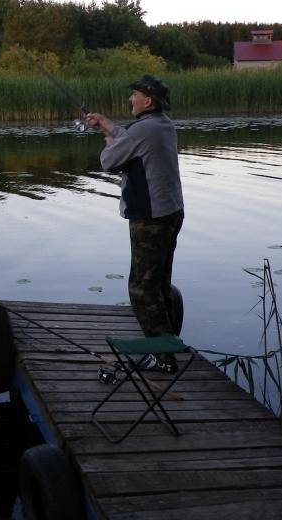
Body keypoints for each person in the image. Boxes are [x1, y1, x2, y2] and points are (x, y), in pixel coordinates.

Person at [85, 74, 184, 372]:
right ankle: (168, 344)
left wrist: (108, 141)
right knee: (159, 284)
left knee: (141, 289)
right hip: (170, 212)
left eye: (135, 95)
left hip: (149, 217)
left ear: (148, 101)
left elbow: (108, 161)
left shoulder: (142, 130)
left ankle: (163, 358)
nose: (131, 99)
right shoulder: (162, 124)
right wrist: (105, 124)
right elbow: (129, 136)